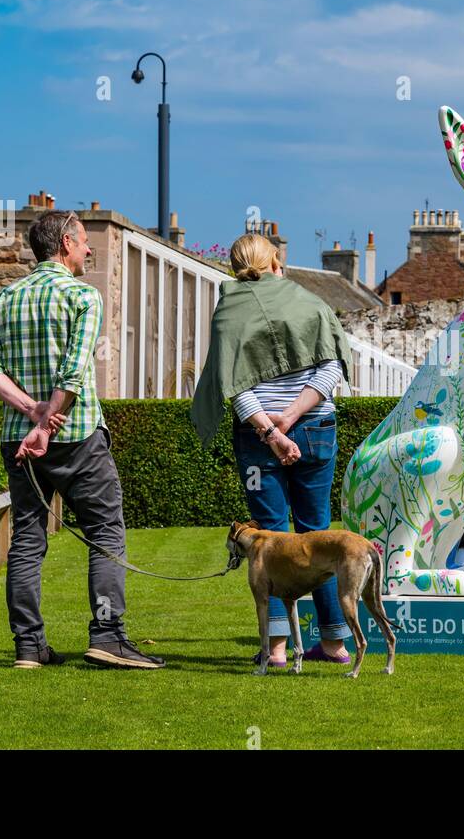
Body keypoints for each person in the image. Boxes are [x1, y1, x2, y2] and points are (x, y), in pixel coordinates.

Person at [0, 210, 164, 670]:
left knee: (27, 540)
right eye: (83, 243)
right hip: (75, 436)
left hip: (18, 439)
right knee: (105, 533)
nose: (88, 250)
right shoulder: (83, 295)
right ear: (64, 243)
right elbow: (74, 370)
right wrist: (45, 422)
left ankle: (29, 647)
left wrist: (29, 411)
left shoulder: (4, 299)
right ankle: (107, 637)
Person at [190, 233, 356, 669]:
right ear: (277, 261)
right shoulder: (310, 302)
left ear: (233, 266)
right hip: (316, 427)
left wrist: (272, 430)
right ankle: (336, 644)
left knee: (267, 537)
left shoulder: (229, 312)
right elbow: (331, 368)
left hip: (259, 437)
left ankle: (277, 648)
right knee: (318, 535)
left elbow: (235, 386)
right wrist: (294, 416)